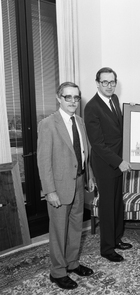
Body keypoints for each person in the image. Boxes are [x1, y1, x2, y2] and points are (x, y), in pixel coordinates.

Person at [37, 82, 95, 290]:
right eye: (68, 97)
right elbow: (43, 162)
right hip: (59, 187)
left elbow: (83, 152)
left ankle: (72, 263)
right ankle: (58, 272)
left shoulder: (79, 121)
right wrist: (49, 190)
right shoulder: (48, 124)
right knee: (59, 231)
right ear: (58, 98)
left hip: (78, 182)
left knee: (75, 228)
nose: (73, 101)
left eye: (76, 98)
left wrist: (88, 176)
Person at [84, 67, 132, 262]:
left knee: (116, 203)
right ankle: (107, 248)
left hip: (118, 162)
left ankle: (116, 239)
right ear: (97, 83)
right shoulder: (91, 107)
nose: (109, 86)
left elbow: (119, 129)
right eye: (105, 82)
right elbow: (97, 144)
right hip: (105, 164)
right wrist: (119, 161)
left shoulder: (114, 100)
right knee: (107, 206)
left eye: (112, 82)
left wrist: (134, 112)